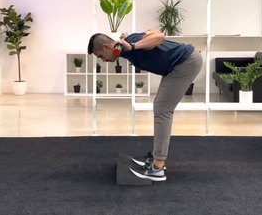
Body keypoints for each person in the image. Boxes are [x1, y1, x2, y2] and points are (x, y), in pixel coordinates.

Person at [87, 29, 203, 181]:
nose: (103, 60)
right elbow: (153, 31)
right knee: (160, 107)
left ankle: (158, 166)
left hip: (186, 61)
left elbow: (159, 36)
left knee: (162, 110)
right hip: (176, 65)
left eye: (101, 56)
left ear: (106, 46)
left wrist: (134, 45)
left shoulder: (130, 43)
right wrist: (131, 45)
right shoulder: (125, 47)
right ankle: (157, 158)